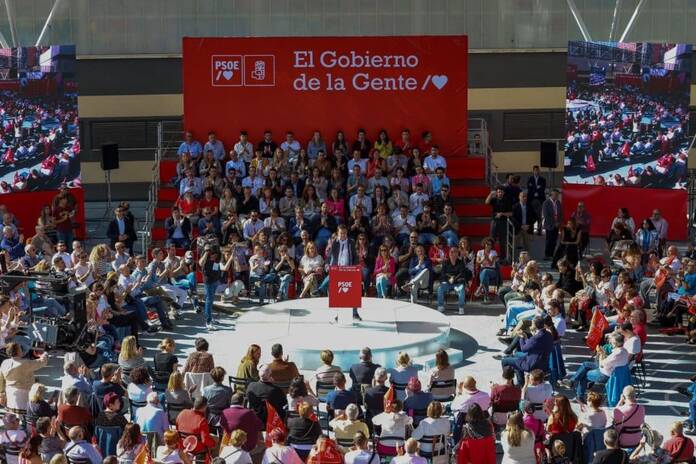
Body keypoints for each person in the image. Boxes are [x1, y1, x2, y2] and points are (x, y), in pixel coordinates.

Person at [501, 317, 554, 385]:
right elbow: (534, 344)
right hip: (543, 363)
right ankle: (521, 382)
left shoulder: (536, 338)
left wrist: (521, 337)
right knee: (516, 355)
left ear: (535, 326)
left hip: (531, 364)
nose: (531, 325)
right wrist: (526, 337)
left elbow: (523, 349)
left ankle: (510, 384)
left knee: (504, 361)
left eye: (532, 323)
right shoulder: (548, 334)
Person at [0, 343, 49, 412]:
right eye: (20, 348)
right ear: (17, 351)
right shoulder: (25, 363)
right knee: (24, 415)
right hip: (24, 395)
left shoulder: (5, 363)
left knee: (13, 415)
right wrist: (45, 353)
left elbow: (1, 380)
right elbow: (42, 362)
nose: (22, 350)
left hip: (10, 394)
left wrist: (1, 394)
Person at [199, 244, 234, 330]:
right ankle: (208, 322)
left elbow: (225, 268)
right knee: (209, 300)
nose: (214, 256)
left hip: (215, 281)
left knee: (210, 301)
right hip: (208, 282)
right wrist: (206, 252)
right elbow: (200, 263)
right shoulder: (205, 257)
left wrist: (231, 258)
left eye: (215, 254)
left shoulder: (217, 259)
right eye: (213, 254)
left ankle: (210, 318)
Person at [436, 246, 467, 314]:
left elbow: (462, 274)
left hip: (457, 282)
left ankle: (461, 307)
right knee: (440, 288)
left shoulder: (461, 263)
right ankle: (440, 306)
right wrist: (449, 279)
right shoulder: (445, 262)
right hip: (447, 282)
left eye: (455, 252)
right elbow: (443, 274)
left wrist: (454, 279)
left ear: (457, 253)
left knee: (461, 289)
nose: (453, 253)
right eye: (451, 252)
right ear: (449, 253)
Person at [542, 189, 562, 260]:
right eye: (555, 195)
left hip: (557, 225)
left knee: (554, 240)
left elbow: (560, 214)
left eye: (557, 195)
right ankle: (547, 255)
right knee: (549, 240)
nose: (556, 196)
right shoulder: (546, 203)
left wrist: (559, 222)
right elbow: (546, 215)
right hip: (549, 225)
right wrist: (554, 223)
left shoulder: (558, 202)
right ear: (551, 195)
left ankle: (551, 254)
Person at [527, 165, 546, 234]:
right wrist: (535, 191)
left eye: (537, 170)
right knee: (531, 214)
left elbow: (542, 188)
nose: (536, 172)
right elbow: (529, 188)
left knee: (539, 215)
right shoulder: (530, 179)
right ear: (533, 171)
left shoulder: (543, 179)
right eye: (535, 170)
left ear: (539, 171)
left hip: (540, 199)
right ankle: (531, 229)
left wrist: (537, 192)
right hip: (532, 199)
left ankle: (539, 230)